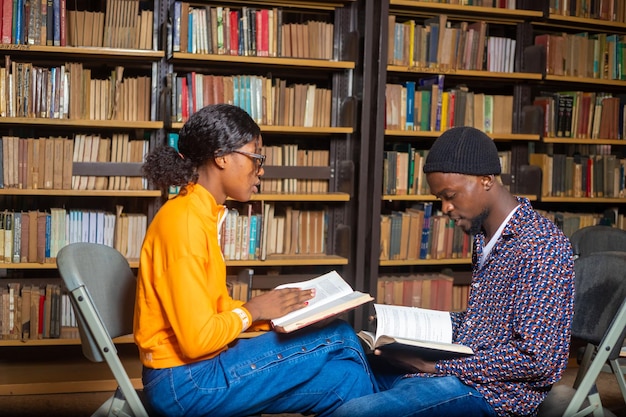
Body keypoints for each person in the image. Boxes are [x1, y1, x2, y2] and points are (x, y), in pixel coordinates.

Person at [134, 103, 377, 417]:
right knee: (339, 336)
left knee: (347, 378)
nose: (260, 169)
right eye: (256, 157)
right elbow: (196, 341)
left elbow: (210, 311)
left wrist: (276, 314)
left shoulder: (199, 213)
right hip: (184, 383)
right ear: (222, 157)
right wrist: (253, 310)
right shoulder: (184, 224)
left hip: (196, 370)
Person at [332, 126, 575, 417]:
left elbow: (537, 360)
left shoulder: (540, 245)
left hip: (495, 396)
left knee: (352, 413)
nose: (445, 208)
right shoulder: (487, 237)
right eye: (440, 199)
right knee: (340, 370)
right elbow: (486, 324)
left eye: (450, 195)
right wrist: (405, 328)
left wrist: (436, 366)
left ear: (485, 180)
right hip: (461, 375)